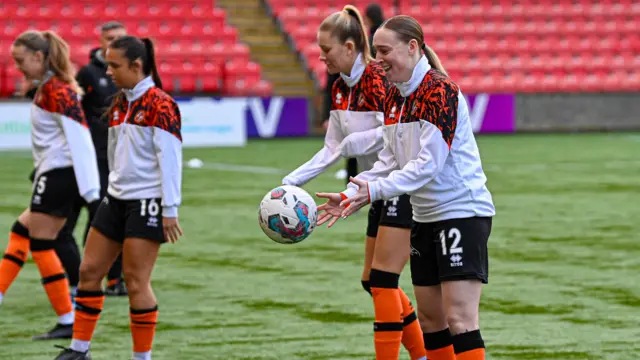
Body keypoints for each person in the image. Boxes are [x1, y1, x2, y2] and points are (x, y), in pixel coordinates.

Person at [316, 15, 495, 360]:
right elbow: (389, 161)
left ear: (412, 47)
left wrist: (372, 192)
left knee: (460, 320)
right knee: (431, 321)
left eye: (384, 51)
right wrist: (353, 193)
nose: (378, 59)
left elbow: (426, 167)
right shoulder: (396, 97)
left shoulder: (439, 91)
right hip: (424, 217)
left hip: (460, 213)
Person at [282, 6, 426, 360]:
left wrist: (355, 145)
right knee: (372, 280)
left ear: (349, 47)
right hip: (372, 189)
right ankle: (421, 354)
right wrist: (290, 182)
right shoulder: (339, 87)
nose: (320, 55)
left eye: (326, 49)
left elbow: (392, 135)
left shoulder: (379, 79)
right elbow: (332, 147)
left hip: (399, 185)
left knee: (382, 281)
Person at [54, 35, 183, 360]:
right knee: (89, 271)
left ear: (136, 66)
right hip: (116, 199)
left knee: (136, 282)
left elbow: (170, 160)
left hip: (147, 203)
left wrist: (169, 208)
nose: (108, 72)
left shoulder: (161, 104)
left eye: (114, 65)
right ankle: (79, 351)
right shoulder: (120, 103)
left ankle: (142, 358)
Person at [0, 30, 101, 340]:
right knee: (21, 231)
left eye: (21, 61)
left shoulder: (57, 90)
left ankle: (68, 317)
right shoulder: (49, 88)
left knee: (42, 244)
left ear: (39, 57)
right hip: (53, 174)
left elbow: (80, 139)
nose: (18, 68)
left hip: (59, 177)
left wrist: (92, 192)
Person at [68, 20, 129, 296]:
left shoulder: (135, 73)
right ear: (101, 41)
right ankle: (89, 274)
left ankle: (117, 279)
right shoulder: (89, 74)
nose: (114, 42)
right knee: (100, 216)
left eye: (119, 38)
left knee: (123, 217)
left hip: (125, 156)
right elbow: (74, 111)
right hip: (96, 157)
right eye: (110, 38)